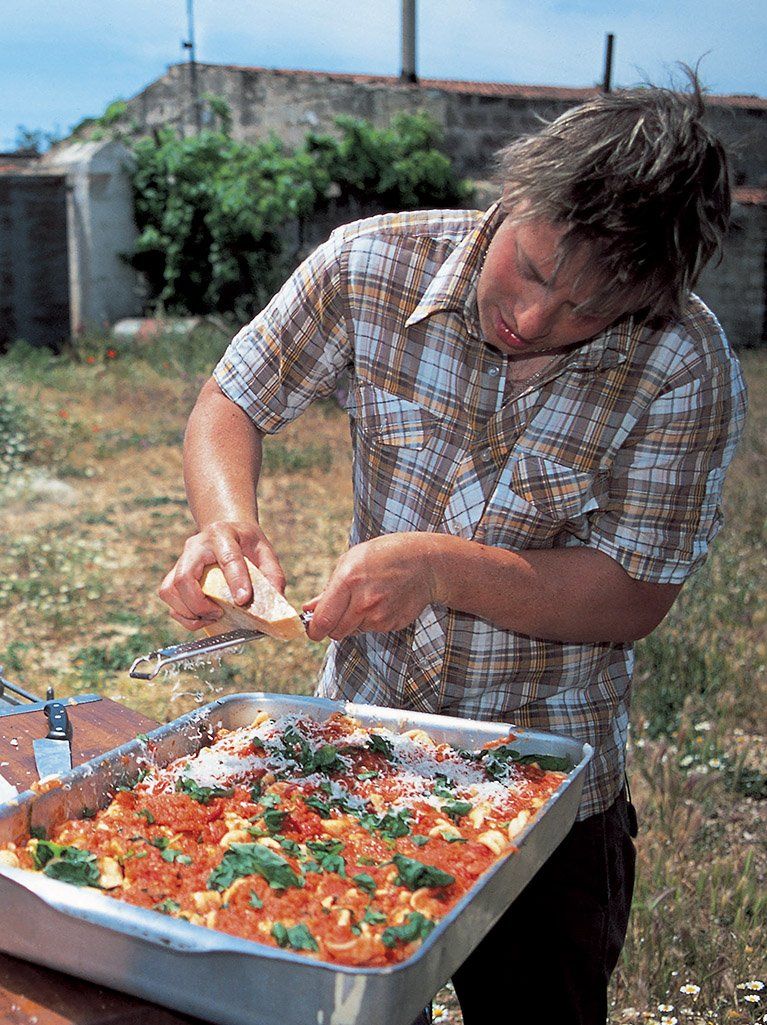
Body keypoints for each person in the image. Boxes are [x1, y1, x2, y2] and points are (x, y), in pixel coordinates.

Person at [159, 71, 747, 1025]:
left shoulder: (682, 360)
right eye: (536, 269)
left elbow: (633, 594)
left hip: (547, 788)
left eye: (588, 311)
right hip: (358, 751)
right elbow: (232, 398)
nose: (535, 318)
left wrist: (435, 568)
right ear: (514, 194)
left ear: (645, 297)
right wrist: (226, 522)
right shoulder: (367, 265)